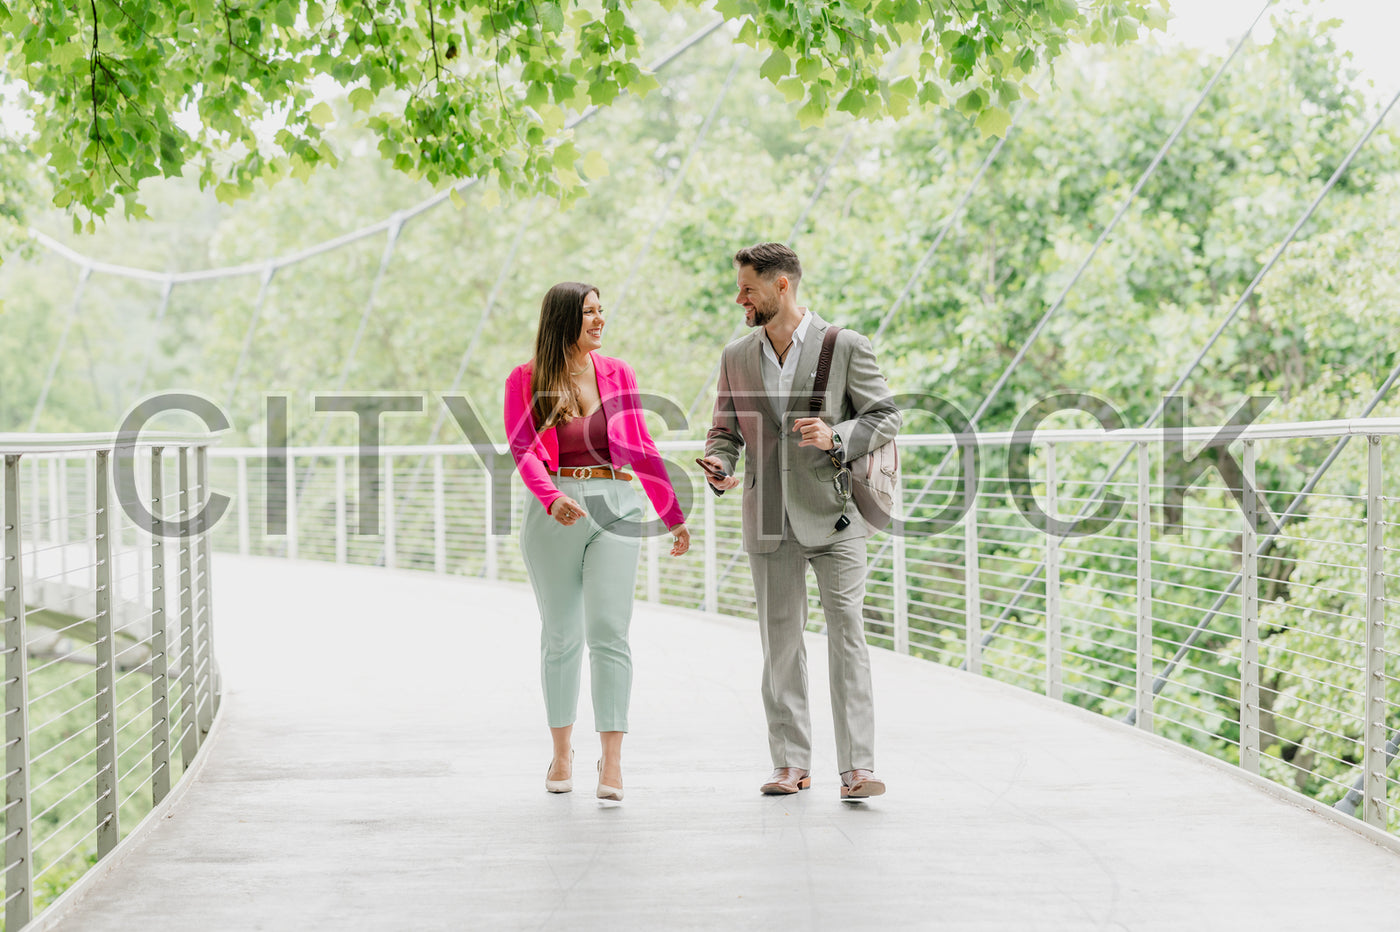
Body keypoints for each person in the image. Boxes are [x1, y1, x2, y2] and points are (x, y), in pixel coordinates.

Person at [700, 243, 901, 799]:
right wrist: (720, 462)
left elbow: (886, 415)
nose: (739, 297)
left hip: (835, 516)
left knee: (848, 638)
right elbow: (725, 431)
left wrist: (837, 436)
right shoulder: (736, 355)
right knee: (780, 644)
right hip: (767, 516)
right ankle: (790, 764)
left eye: (748, 288)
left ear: (781, 286)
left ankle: (857, 768)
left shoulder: (843, 346)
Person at [505, 281, 691, 802]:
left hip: (616, 504)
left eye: (601, 311)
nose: (600, 320)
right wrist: (549, 496)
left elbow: (642, 446)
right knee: (562, 634)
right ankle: (561, 753)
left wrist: (671, 513)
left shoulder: (618, 372)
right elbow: (522, 448)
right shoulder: (525, 379)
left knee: (610, 630)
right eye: (590, 312)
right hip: (556, 509)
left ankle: (611, 761)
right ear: (565, 318)